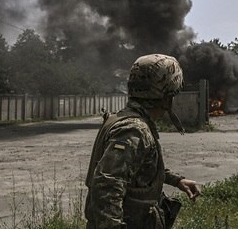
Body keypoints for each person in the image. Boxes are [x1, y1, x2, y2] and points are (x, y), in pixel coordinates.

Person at [85, 54, 201, 228]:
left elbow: (136, 167)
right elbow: (107, 185)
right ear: (168, 95)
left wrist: (176, 180)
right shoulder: (134, 129)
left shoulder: (123, 119)